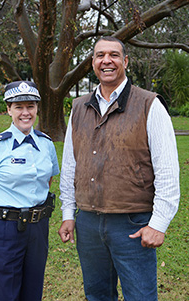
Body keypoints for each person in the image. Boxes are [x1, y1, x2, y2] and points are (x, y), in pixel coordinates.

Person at [58, 37, 180, 301]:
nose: (106, 61)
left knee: (141, 296)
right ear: (93, 63)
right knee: (97, 295)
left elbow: (168, 170)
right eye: (100, 55)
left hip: (132, 223)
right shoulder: (79, 107)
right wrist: (69, 213)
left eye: (114, 55)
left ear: (125, 62)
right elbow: (70, 166)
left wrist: (158, 224)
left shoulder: (150, 105)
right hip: (88, 223)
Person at [0, 80, 59, 301]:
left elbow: (47, 182)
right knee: (4, 294)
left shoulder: (46, 144)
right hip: (4, 230)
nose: (25, 113)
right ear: (8, 109)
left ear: (37, 108)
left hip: (38, 229)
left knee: (32, 292)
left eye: (30, 106)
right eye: (19, 107)